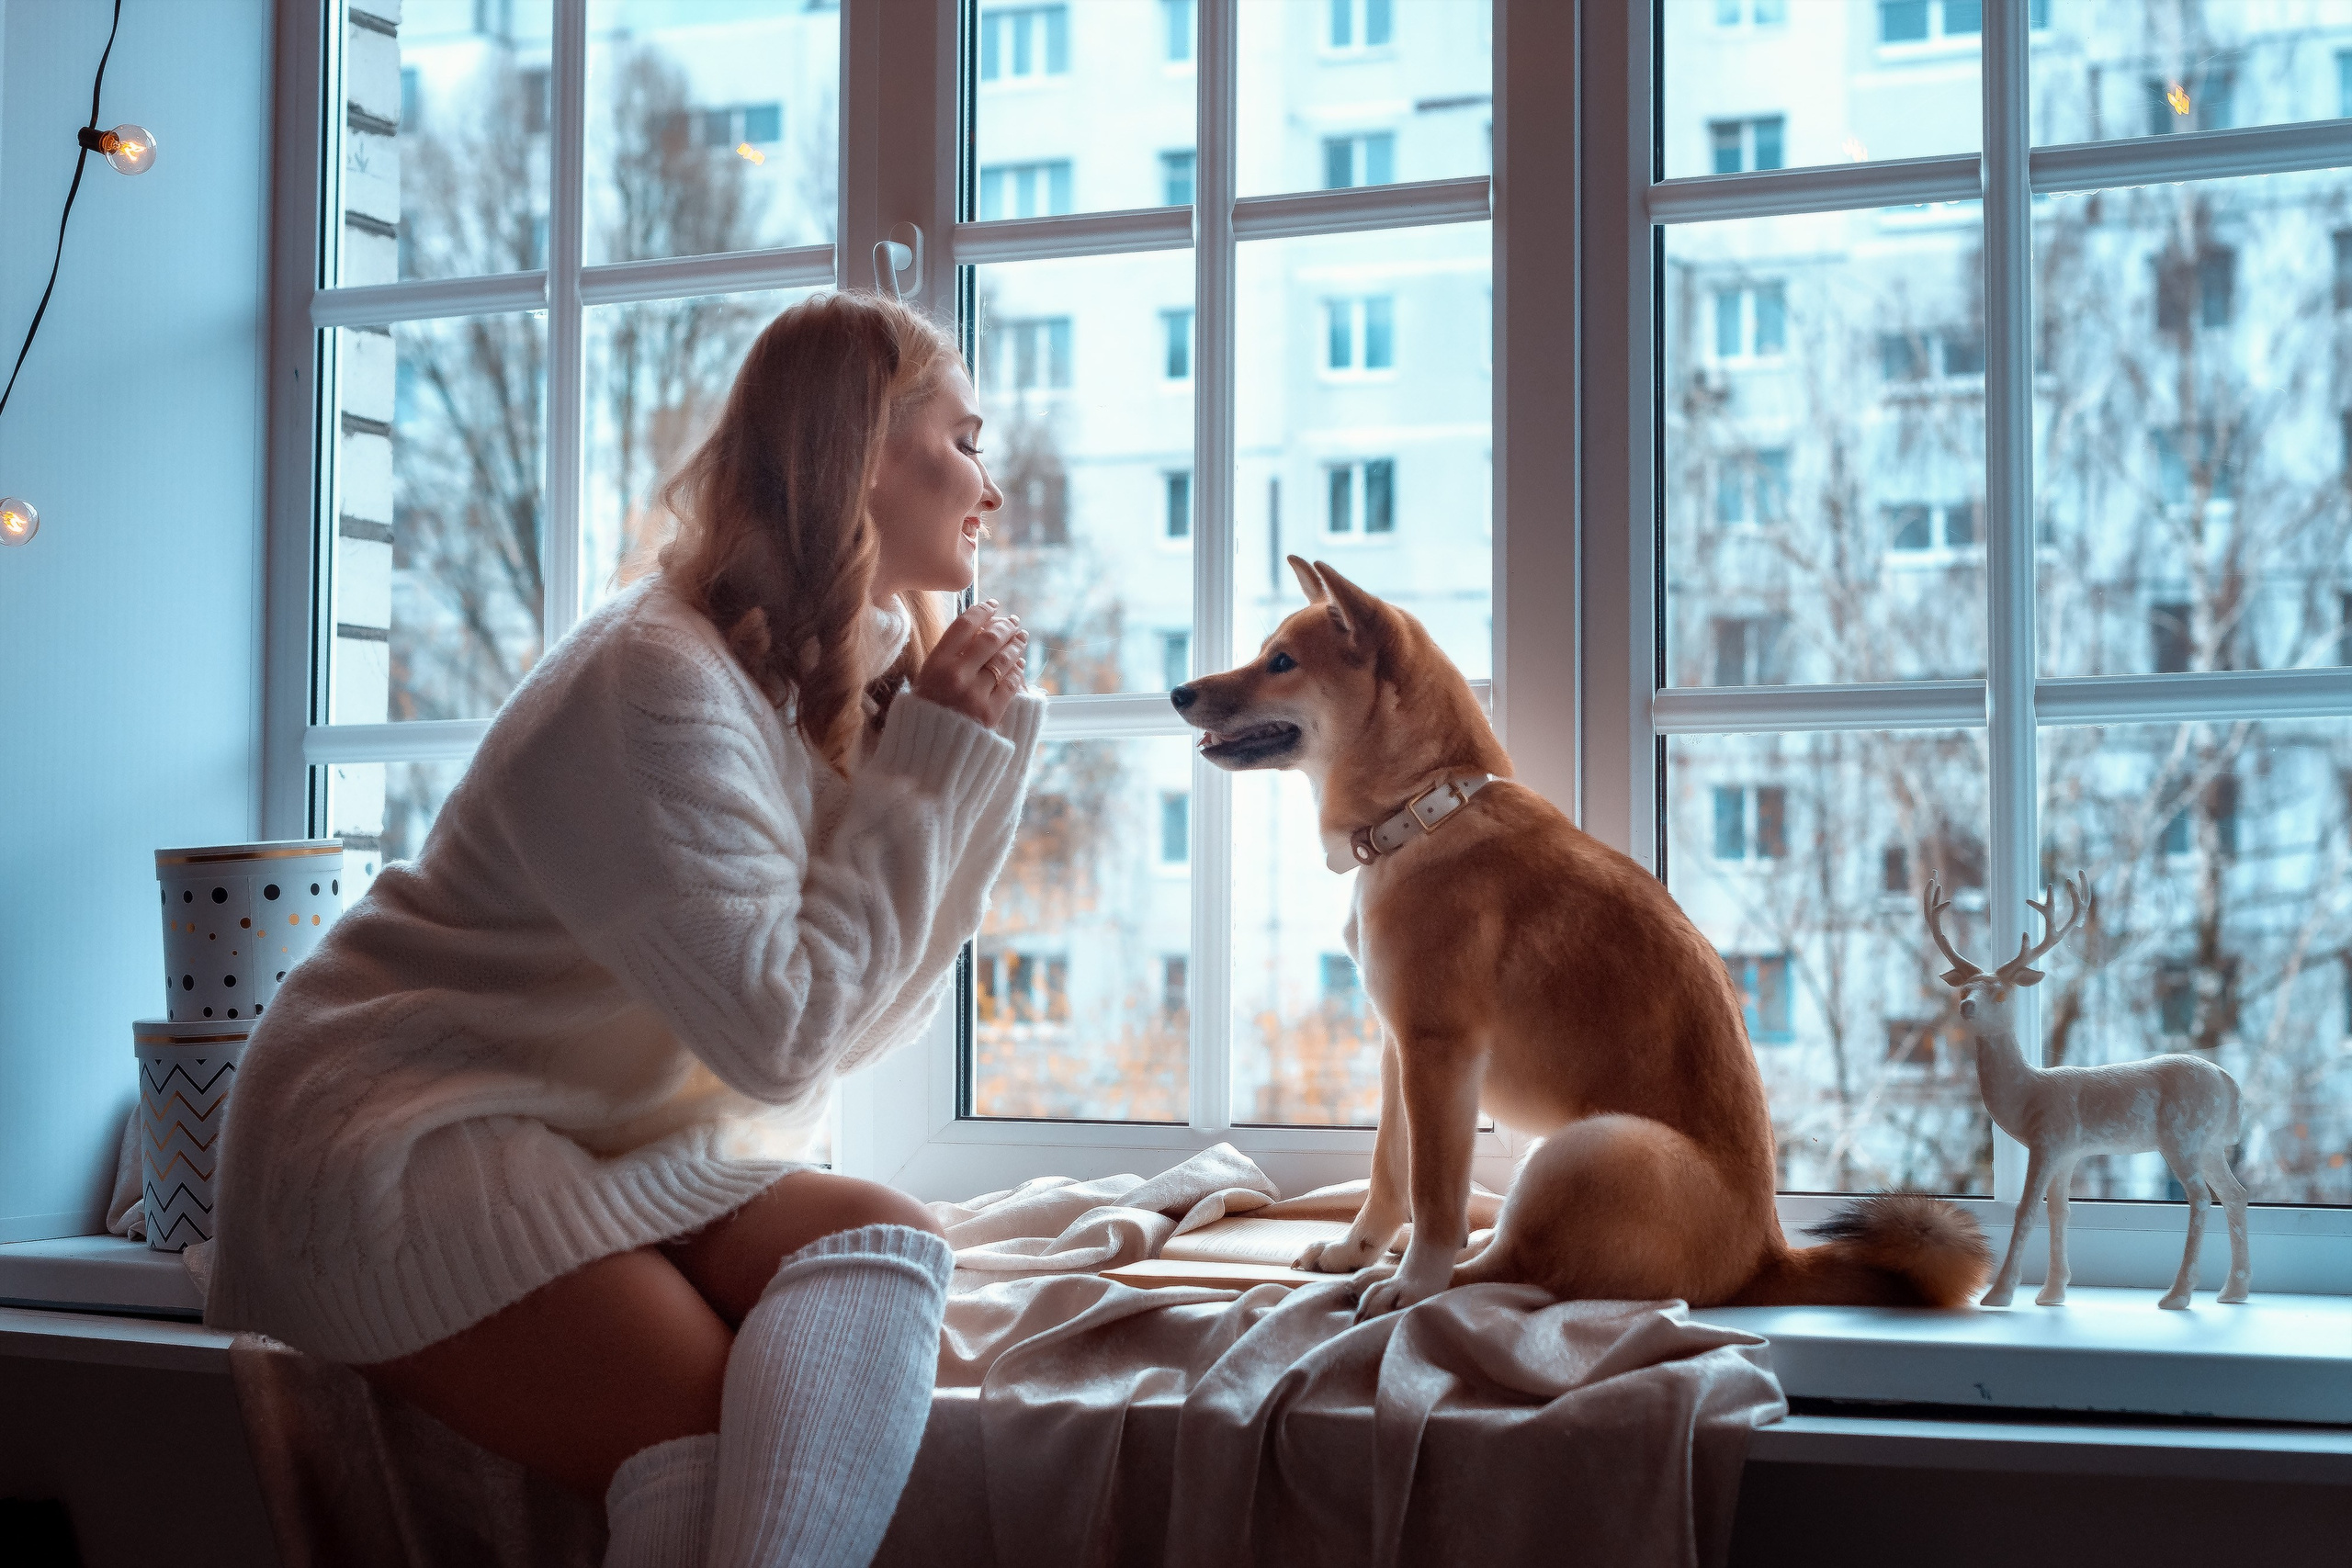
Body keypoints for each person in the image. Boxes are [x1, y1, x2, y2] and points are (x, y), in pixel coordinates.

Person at [206, 292, 1040, 1567]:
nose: (990, 484)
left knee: (888, 1238)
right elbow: (783, 1040)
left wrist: (950, 764)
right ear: (867, 449)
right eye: (966, 437)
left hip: (590, 1130)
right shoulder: (661, 682)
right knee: (706, 1419)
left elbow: (859, 1022)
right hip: (393, 1130)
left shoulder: (810, 676)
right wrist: (931, 778)